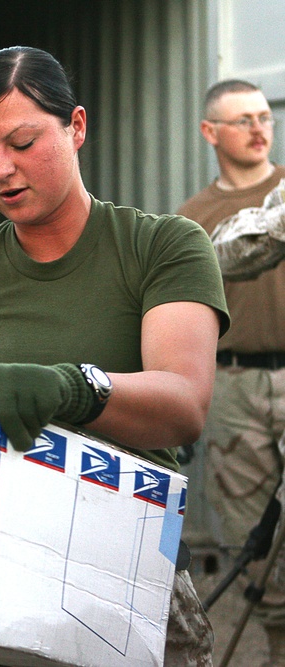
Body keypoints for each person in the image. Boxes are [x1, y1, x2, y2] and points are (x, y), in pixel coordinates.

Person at [0, 46, 229, 666]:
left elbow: (183, 404)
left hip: (126, 579)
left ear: (76, 126)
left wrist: (74, 388)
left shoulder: (161, 248)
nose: (1, 169)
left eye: (22, 143)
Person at [177, 79, 285, 662]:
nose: (259, 128)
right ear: (210, 132)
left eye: (264, 116)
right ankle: (277, 642)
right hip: (235, 385)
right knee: (252, 533)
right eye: (242, 119)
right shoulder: (192, 221)